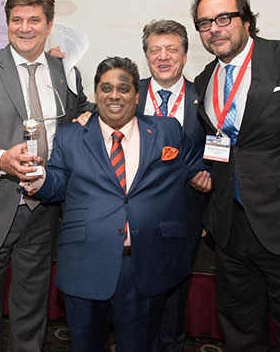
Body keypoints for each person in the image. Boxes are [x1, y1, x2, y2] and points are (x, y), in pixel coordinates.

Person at [23, 56, 210, 351]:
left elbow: (199, 165)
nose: (114, 96)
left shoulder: (167, 130)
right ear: (96, 93)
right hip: (86, 263)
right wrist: (37, 180)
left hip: (147, 265)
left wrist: (205, 178)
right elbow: (57, 182)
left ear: (137, 95)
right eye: (106, 88)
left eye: (123, 89)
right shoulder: (70, 135)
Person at [191, 0, 280, 351]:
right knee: (240, 329)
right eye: (204, 23)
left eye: (224, 18)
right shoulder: (205, 80)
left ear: (246, 21)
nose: (214, 29)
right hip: (229, 226)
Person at [0, 0, 91, 352]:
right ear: (7, 24)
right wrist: (1, 159)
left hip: (44, 209)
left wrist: (90, 115)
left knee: (31, 308)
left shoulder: (65, 70)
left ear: (49, 25)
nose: (25, 28)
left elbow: (77, 115)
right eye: (17, 20)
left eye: (34, 20)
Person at [138, 19, 207, 351]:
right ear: (146, 56)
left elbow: (221, 153)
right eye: (155, 50)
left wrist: (208, 185)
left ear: (185, 55)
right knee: (134, 304)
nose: (163, 57)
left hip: (184, 218)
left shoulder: (205, 98)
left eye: (171, 49)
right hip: (132, 219)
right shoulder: (126, 93)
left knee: (174, 304)